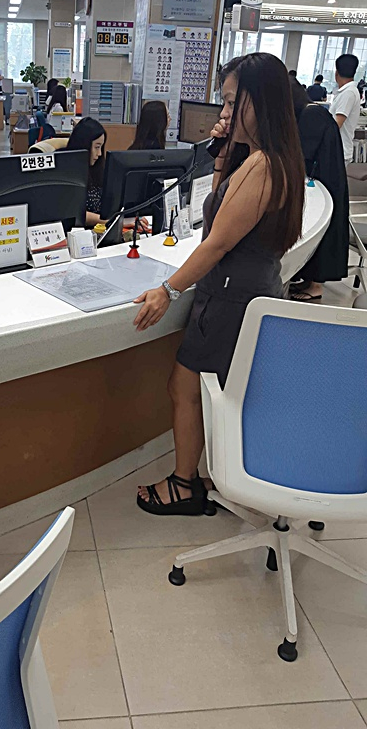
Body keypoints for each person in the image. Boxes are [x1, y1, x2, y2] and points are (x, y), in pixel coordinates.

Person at [134, 52, 305, 516]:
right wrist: (224, 151)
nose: (224, 112)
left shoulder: (263, 166)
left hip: (229, 298)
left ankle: (183, 483)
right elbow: (217, 206)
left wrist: (167, 290)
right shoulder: (272, 159)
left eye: (231, 101)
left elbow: (216, 243)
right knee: (214, 392)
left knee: (184, 388)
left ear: (257, 102)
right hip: (245, 291)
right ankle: (216, 474)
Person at [288, 78, 349, 302]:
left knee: (325, 229)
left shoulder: (311, 115)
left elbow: (303, 154)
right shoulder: (312, 112)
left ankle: (316, 286)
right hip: (326, 177)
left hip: (325, 179)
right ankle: (309, 279)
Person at [64, 117, 106, 227]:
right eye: (97, 147)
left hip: (99, 229)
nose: (100, 153)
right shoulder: (66, 171)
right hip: (78, 231)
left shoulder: (97, 169)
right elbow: (73, 212)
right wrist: (109, 221)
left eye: (101, 147)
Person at [330, 54, 361, 165]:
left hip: (339, 150)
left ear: (336, 73)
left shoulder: (348, 93)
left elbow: (336, 124)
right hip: (338, 149)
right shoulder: (346, 92)